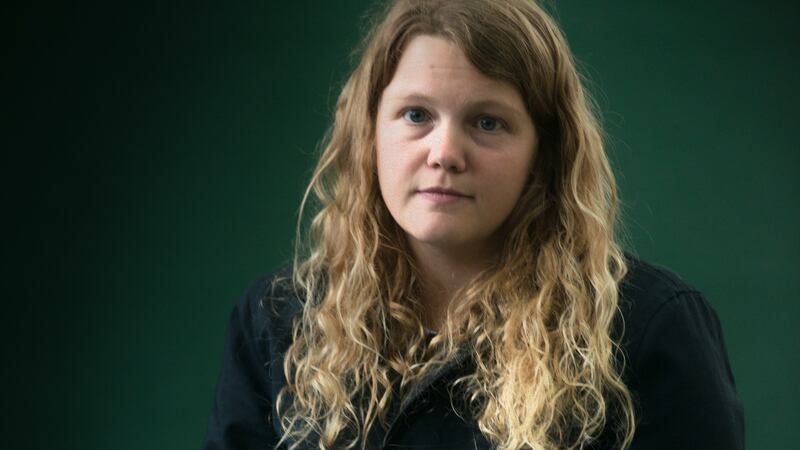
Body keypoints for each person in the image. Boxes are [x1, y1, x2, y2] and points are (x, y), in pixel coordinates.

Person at [204, 0, 745, 449]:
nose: (445, 152)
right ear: (369, 134)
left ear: (544, 153)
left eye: (488, 122)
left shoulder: (645, 329)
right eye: (416, 115)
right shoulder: (278, 325)